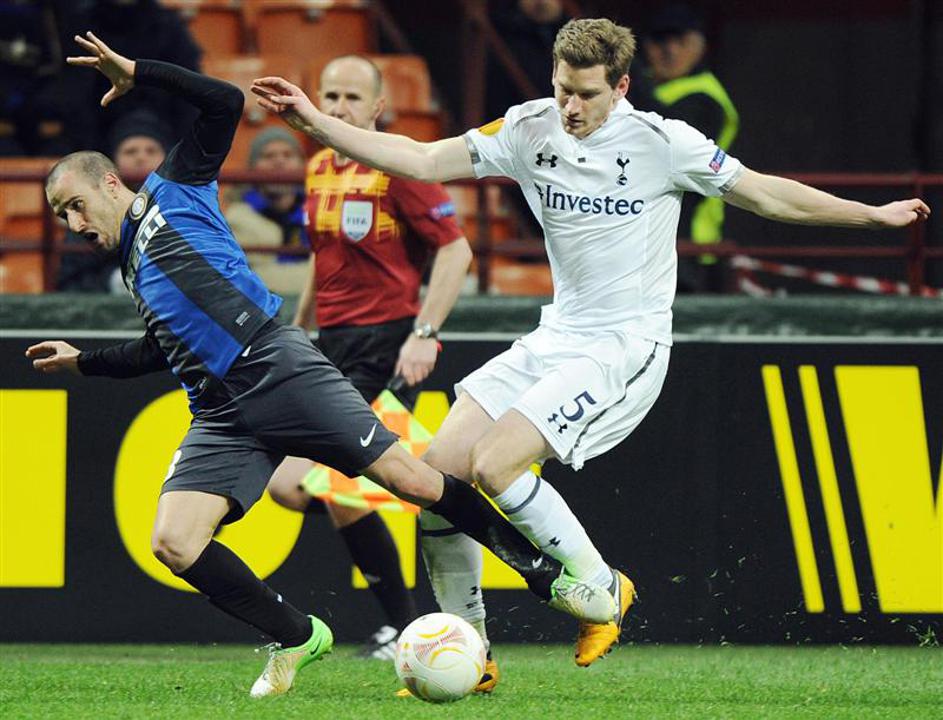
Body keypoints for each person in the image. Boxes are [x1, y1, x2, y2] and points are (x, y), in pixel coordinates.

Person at [252, 16, 931, 686]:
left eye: (586, 94)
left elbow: (765, 195)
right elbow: (425, 159)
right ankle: (471, 652)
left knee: (494, 464)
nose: (570, 108)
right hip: (556, 335)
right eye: (562, 90)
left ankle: (601, 586)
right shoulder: (528, 128)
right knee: (436, 480)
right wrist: (315, 123)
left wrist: (870, 215)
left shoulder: (664, 142)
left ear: (621, 86)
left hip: (625, 344)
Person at [28, 31, 617, 699]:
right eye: (60, 217)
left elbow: (223, 101)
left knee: (415, 483)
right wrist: (85, 364)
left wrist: (140, 71)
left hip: (275, 368)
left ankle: (548, 577)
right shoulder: (135, 267)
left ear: (111, 182)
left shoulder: (174, 188)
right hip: (219, 413)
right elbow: (158, 349)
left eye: (74, 205)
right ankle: (295, 636)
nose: (72, 224)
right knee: (174, 542)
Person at [264, 55, 473, 662]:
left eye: (353, 97)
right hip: (332, 346)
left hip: (385, 347)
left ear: (379, 107)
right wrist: (298, 329)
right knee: (312, 489)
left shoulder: (398, 165)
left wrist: (425, 333)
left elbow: (456, 252)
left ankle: (409, 623)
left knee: (318, 484)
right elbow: (322, 258)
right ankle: (410, 620)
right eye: (330, 95)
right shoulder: (319, 167)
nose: (338, 107)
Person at [635, 3, 739, 291]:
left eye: (680, 41)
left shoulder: (705, 96)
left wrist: (631, 82)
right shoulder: (652, 89)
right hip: (649, 240)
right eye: (660, 41)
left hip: (693, 248)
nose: (669, 51)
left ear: (698, 45)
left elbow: (668, 145)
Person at [56, 108, 172, 293]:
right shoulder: (89, 213)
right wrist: (112, 282)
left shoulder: (184, 205)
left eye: (151, 151)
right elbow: (71, 280)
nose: (141, 157)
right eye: (130, 151)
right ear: (114, 162)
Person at [225, 128, 310, 295]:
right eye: (268, 156)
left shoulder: (318, 211)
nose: (279, 161)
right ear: (252, 167)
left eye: (288, 155)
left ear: (302, 164)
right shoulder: (236, 217)